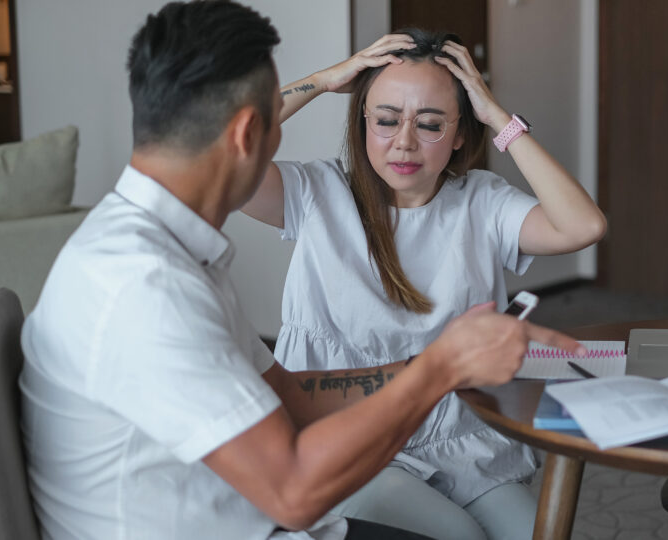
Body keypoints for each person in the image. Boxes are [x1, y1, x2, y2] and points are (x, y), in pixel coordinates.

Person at [18, 3, 584, 539]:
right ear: (248, 135)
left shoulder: (157, 252)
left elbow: (287, 392)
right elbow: (293, 494)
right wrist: (439, 368)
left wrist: (430, 364)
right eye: (274, 120)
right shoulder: (149, 285)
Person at [241, 29, 607, 539]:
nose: (404, 142)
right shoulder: (314, 193)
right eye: (386, 120)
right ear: (363, 122)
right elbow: (223, 155)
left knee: (541, 534)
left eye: (430, 124)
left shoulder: (482, 200)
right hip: (353, 437)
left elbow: (583, 226)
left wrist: (497, 116)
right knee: (459, 537)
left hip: (457, 439)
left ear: (460, 133)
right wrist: (323, 82)